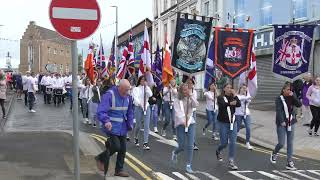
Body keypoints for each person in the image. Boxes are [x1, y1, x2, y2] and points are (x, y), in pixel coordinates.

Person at [95, 79, 133, 178]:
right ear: (119, 88)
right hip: (111, 126)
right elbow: (101, 111)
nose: (127, 92)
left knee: (123, 149)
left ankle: (119, 170)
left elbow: (129, 112)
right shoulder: (110, 94)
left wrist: (130, 124)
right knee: (116, 146)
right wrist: (106, 121)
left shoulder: (128, 97)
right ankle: (100, 158)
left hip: (122, 127)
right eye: (125, 90)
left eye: (128, 90)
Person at [270, 82, 302, 170]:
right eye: (288, 89)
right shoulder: (279, 98)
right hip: (282, 123)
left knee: (290, 143)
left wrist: (293, 96)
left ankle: (289, 161)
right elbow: (279, 110)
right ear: (283, 90)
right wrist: (281, 121)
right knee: (281, 143)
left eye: (290, 89)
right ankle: (274, 153)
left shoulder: (292, 97)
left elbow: (299, 104)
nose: (289, 91)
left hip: (291, 122)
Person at [171, 83, 199, 173]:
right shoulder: (177, 100)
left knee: (190, 145)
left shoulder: (190, 98)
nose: (186, 91)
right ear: (181, 91)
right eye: (184, 90)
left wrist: (191, 96)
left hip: (191, 123)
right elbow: (178, 112)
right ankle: (175, 152)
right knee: (182, 145)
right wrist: (183, 121)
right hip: (180, 124)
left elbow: (196, 105)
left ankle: (188, 165)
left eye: (187, 89)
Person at [216, 83, 241, 170]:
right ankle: (218, 150)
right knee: (224, 143)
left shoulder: (233, 96)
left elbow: (239, 104)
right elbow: (222, 105)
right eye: (228, 87)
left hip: (233, 122)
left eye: (231, 88)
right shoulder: (220, 97)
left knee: (233, 142)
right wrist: (231, 103)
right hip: (223, 122)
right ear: (224, 89)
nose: (230, 89)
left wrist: (235, 95)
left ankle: (231, 160)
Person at [132, 75, 153, 150]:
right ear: (139, 80)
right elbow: (135, 98)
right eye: (142, 80)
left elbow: (150, 95)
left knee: (147, 125)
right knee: (138, 125)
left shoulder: (146, 88)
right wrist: (140, 104)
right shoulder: (136, 89)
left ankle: (145, 143)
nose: (143, 81)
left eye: (144, 80)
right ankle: (136, 137)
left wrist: (146, 87)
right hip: (139, 107)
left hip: (146, 107)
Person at [235, 84, 253, 150]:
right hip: (238, 114)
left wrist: (247, 94)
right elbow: (242, 98)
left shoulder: (246, 96)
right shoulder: (237, 96)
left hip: (246, 114)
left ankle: (247, 143)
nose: (244, 89)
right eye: (243, 88)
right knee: (237, 128)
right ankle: (231, 138)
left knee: (248, 128)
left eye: (245, 88)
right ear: (240, 89)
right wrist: (247, 96)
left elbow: (249, 99)